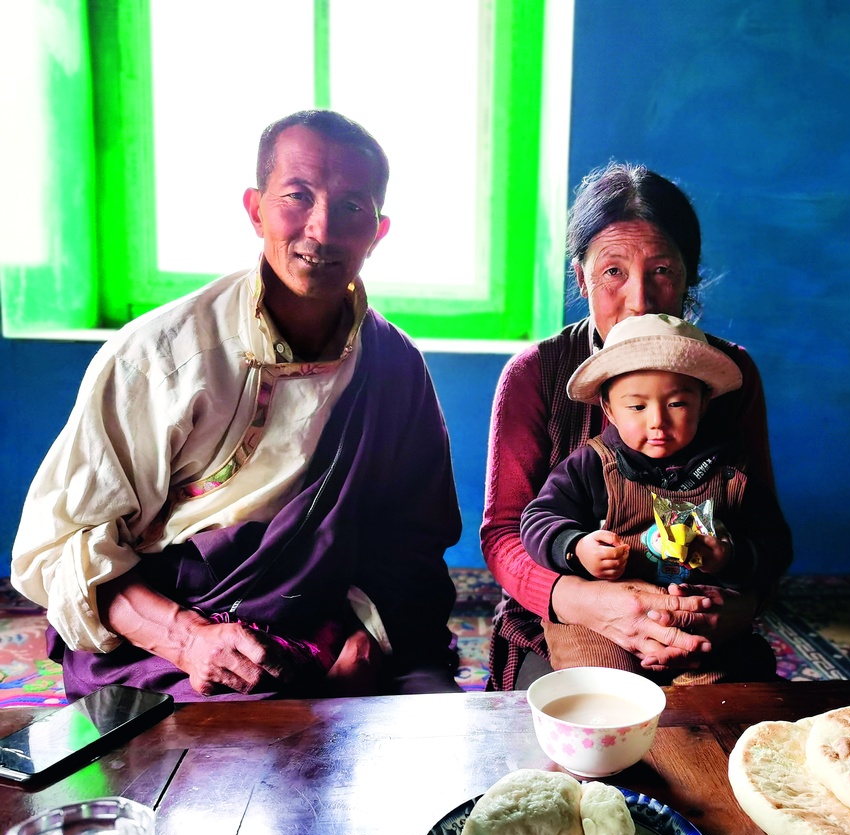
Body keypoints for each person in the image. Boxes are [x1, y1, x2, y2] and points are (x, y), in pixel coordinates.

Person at [10, 109, 463, 701]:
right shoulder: (159, 357)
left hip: (335, 616)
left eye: (353, 207)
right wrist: (187, 639)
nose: (322, 230)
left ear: (377, 232)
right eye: (297, 196)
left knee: (432, 724)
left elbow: (414, 536)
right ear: (255, 209)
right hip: (177, 623)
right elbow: (54, 548)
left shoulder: (394, 365)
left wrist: (367, 635)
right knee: (219, 751)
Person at [481, 162, 793, 690]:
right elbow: (505, 533)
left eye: (662, 272)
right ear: (580, 276)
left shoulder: (730, 374)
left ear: (688, 276)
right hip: (571, 616)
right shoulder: (534, 374)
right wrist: (586, 598)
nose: (639, 301)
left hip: (699, 611)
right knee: (576, 724)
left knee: (737, 732)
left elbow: (764, 526)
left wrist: (732, 607)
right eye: (613, 272)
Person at [520, 313, 790, 684]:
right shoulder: (590, 465)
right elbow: (539, 518)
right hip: (600, 623)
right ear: (609, 408)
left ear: (703, 402)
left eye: (677, 404)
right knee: (603, 684)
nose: (657, 421)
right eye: (637, 407)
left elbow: (776, 544)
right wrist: (577, 547)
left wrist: (729, 556)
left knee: (727, 693)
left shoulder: (731, 471)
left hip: (696, 617)